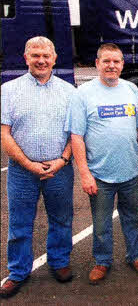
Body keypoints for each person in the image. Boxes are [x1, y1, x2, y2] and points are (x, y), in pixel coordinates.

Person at [65, 43, 138, 285]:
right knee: (101, 222)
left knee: (133, 218)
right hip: (99, 174)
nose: (111, 66)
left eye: (116, 61)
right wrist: (84, 174)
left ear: (122, 64)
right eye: (106, 61)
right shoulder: (83, 94)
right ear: (97, 64)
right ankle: (102, 261)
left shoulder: (132, 89)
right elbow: (76, 136)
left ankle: (135, 256)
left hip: (130, 172)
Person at [0, 36, 75, 298]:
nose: (41, 60)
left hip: (59, 169)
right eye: (35, 56)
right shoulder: (8, 90)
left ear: (55, 58)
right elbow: (4, 134)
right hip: (22, 170)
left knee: (61, 219)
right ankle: (18, 271)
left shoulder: (69, 92)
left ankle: (59, 262)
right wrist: (27, 163)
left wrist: (63, 160)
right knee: (19, 222)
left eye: (46, 55)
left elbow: (75, 134)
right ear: (26, 58)